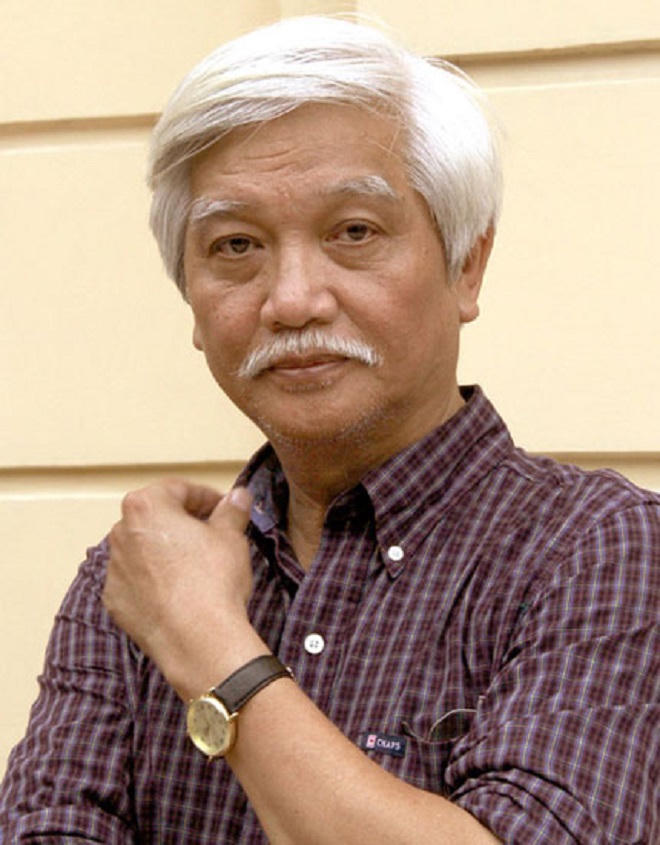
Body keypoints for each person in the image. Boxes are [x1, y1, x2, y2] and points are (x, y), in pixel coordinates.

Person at [1, 15, 658, 844]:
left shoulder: (599, 548)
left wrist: (207, 642)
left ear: (466, 264)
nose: (292, 300)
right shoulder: (136, 573)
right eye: (236, 244)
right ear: (191, 303)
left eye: (354, 232)